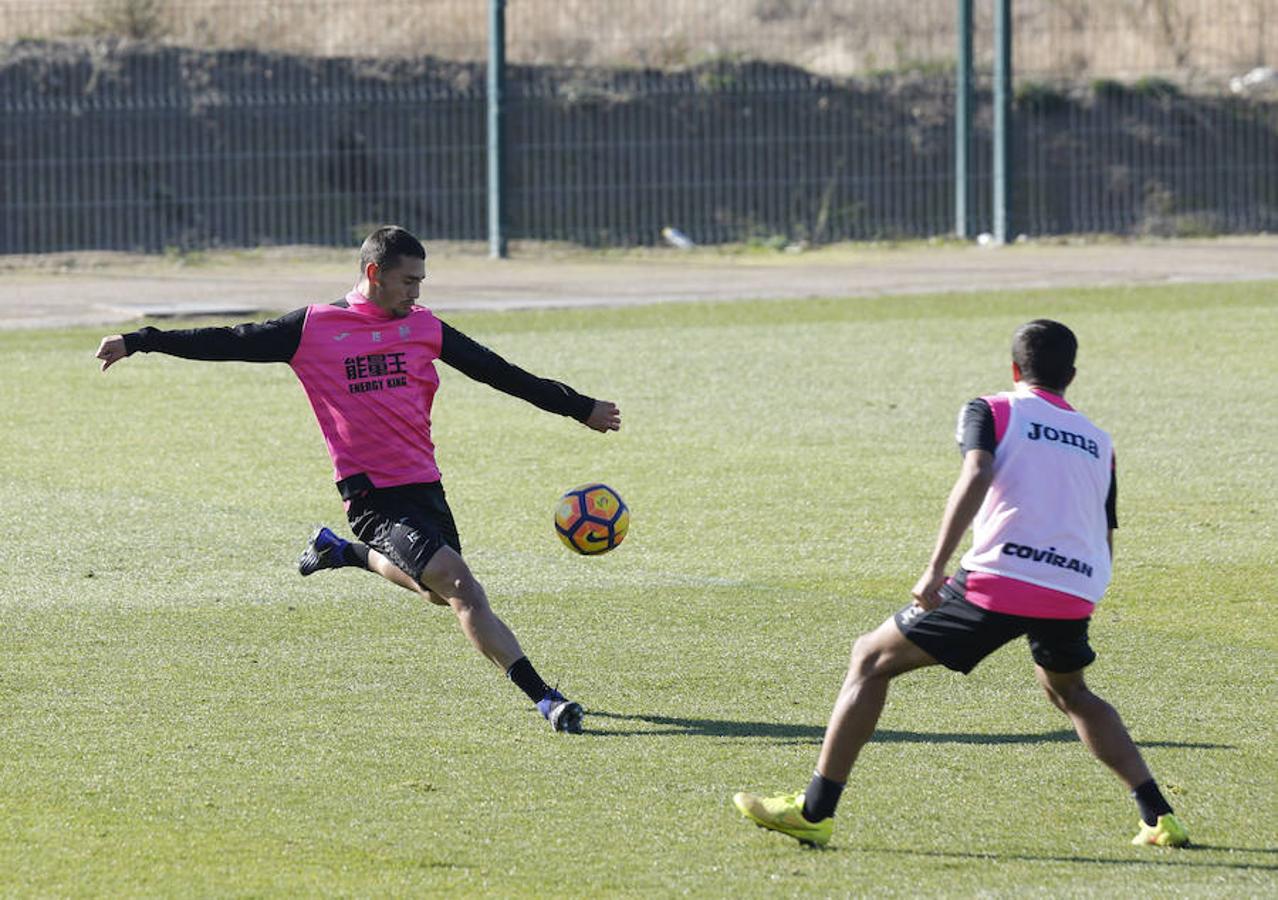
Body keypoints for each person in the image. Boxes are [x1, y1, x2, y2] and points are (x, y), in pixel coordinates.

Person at [95, 226, 621, 734]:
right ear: (375, 273)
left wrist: (579, 407)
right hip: (372, 495)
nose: (417, 293)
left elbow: (500, 372)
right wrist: (141, 341)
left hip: (424, 486)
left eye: (421, 282)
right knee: (462, 589)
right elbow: (228, 340)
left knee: (435, 592)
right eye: (409, 281)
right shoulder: (313, 328)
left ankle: (342, 553)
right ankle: (546, 700)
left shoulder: (425, 326)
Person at [732, 319, 1189, 847]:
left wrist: (935, 567)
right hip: (1075, 587)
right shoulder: (1099, 441)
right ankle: (1159, 817)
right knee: (1071, 692)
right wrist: (1084, 592)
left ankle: (814, 812)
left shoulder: (993, 408)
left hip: (1001, 578)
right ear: (1072, 376)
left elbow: (976, 474)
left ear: (1015, 369)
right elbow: (1105, 527)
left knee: (869, 659)